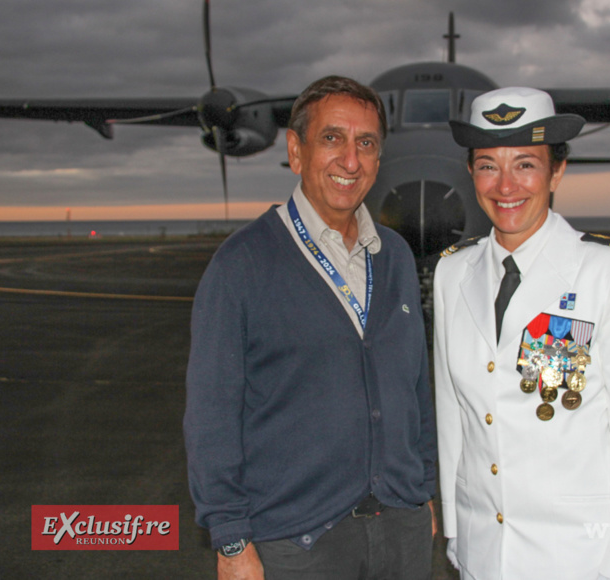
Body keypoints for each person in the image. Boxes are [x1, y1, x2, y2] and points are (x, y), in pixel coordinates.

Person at [184, 75, 436, 580]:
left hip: (402, 530)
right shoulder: (242, 263)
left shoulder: (396, 257)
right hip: (300, 541)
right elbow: (212, 413)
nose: (351, 160)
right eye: (332, 139)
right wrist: (231, 539)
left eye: (366, 143)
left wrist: (424, 489)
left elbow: (415, 386)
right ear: (295, 151)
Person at [434, 87, 610, 580]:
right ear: (470, 173)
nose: (505, 186)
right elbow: (452, 418)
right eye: (487, 165)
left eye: (525, 164)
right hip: (483, 557)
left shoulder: (609, 273)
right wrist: (460, 536)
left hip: (582, 561)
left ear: (557, 171)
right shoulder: (452, 274)